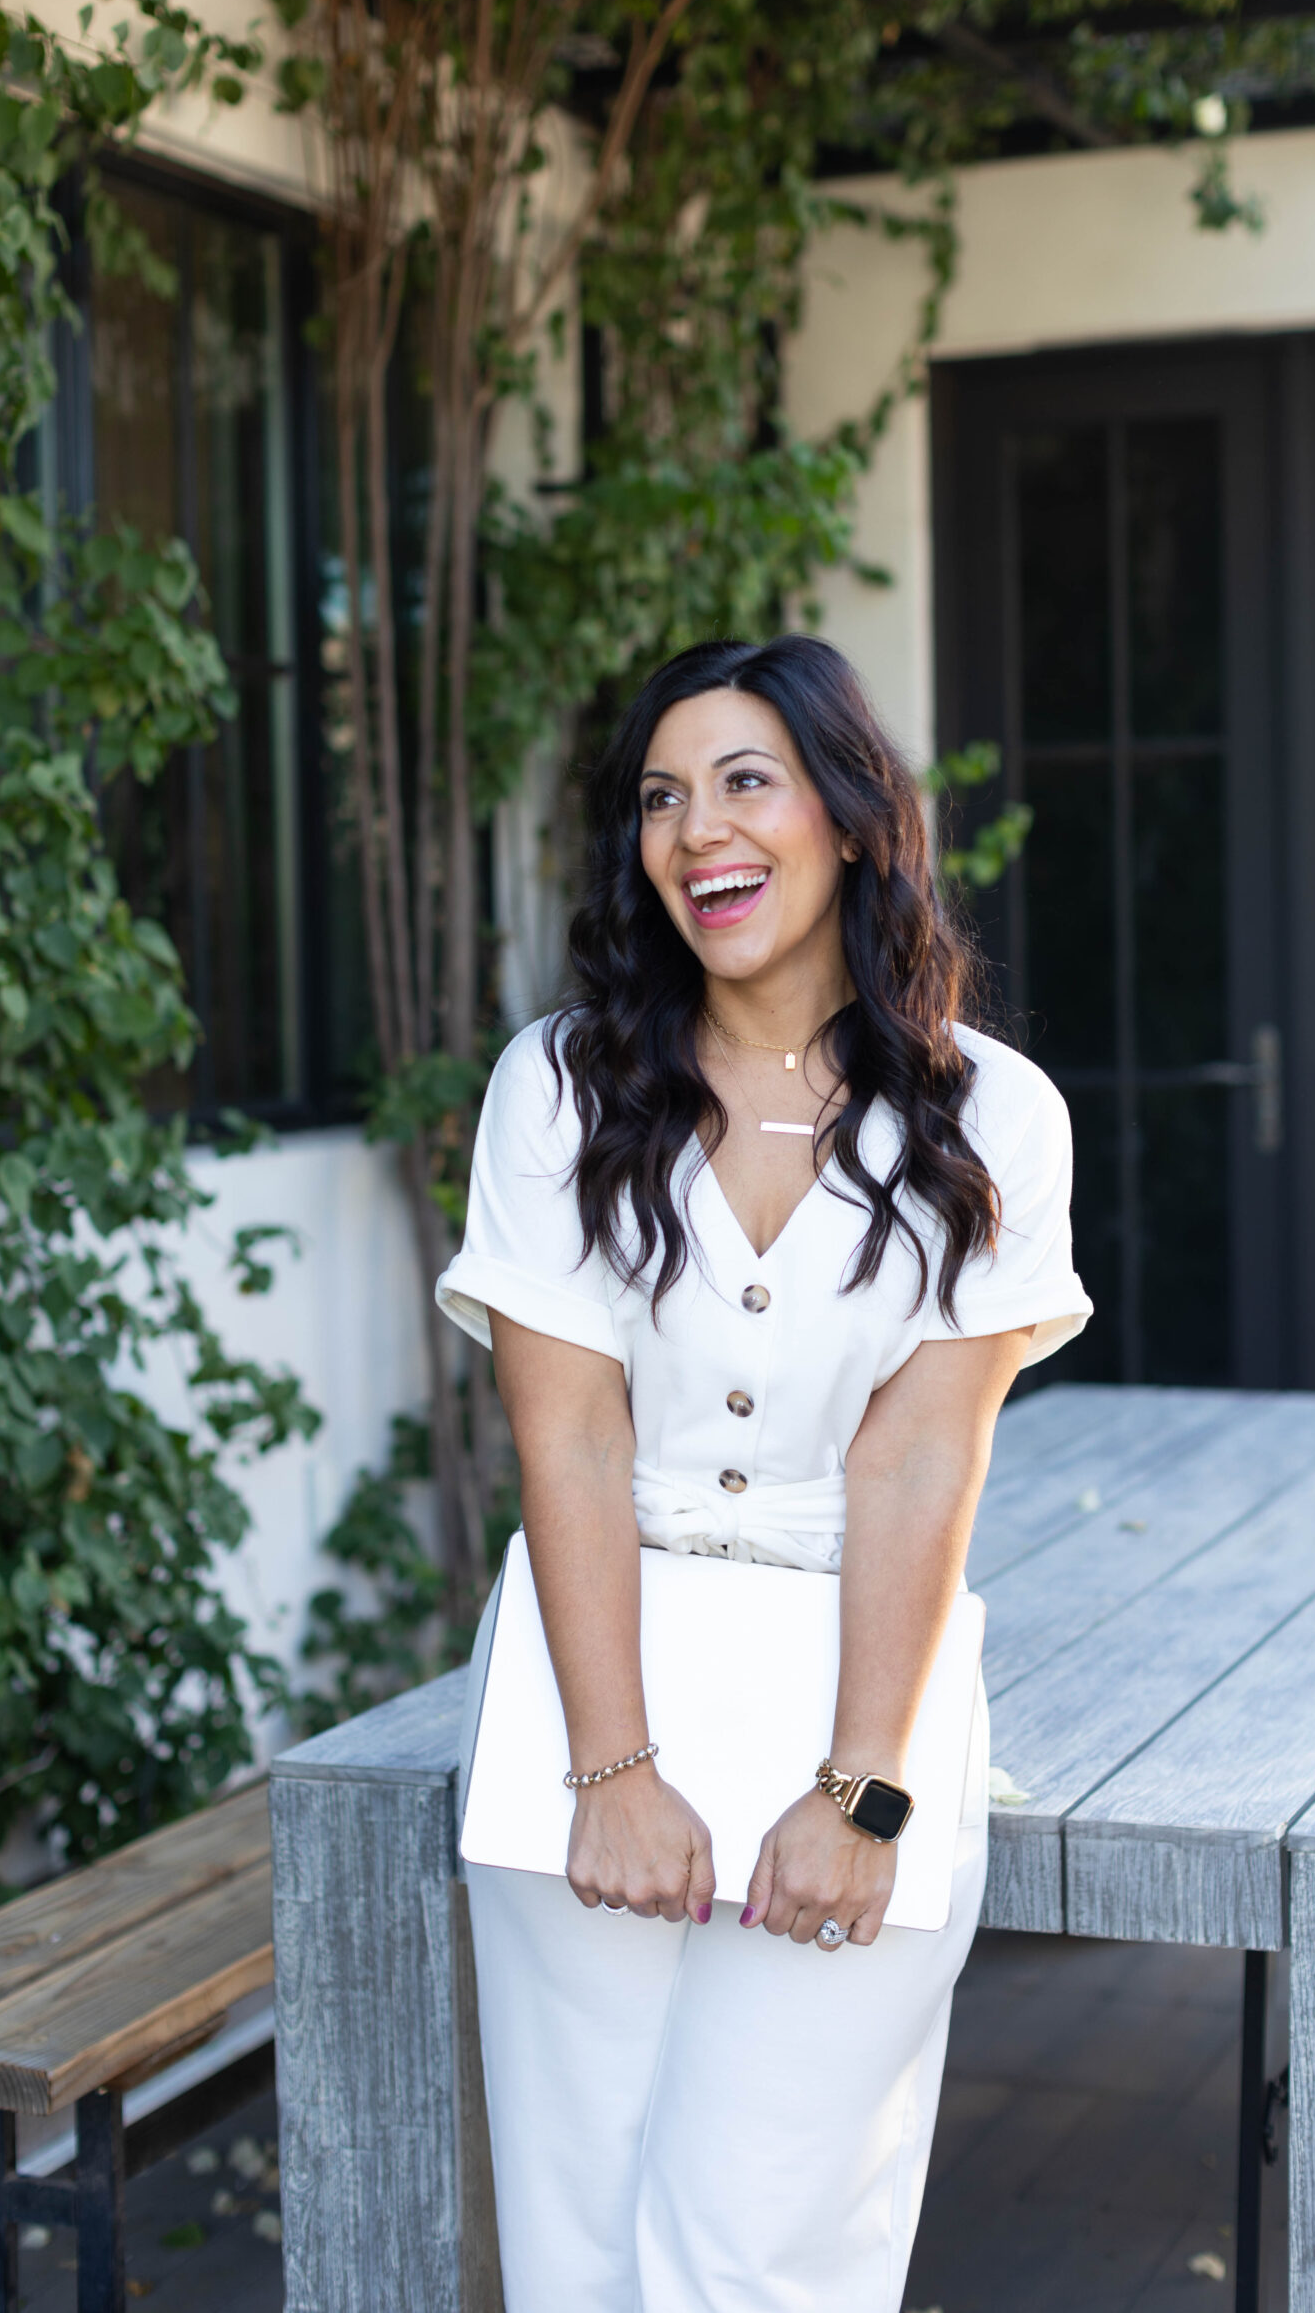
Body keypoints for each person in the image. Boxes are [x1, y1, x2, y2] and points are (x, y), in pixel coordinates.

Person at [436, 634, 1091, 2313]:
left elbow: (918, 1462)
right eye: (663, 796)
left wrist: (861, 1791)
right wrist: (613, 1770)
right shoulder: (562, 1088)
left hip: (852, 1709)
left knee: (763, 2254)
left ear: (856, 817)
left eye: (747, 781)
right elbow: (570, 1432)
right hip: (585, 1718)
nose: (697, 830)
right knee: (581, 2252)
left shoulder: (988, 1115)